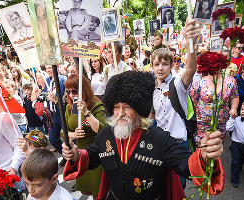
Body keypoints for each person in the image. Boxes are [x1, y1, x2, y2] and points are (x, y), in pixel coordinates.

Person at [62, 70, 224, 200]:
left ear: (139, 109)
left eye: (126, 107)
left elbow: (186, 163)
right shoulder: (106, 134)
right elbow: (91, 156)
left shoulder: (159, 138)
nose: (120, 113)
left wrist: (204, 155)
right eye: (116, 107)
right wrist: (76, 155)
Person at [152, 19, 199, 189]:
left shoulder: (178, 85)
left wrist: (190, 43)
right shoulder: (151, 90)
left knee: (179, 185)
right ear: (152, 66)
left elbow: (191, 69)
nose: (161, 68)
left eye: (165, 63)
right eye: (157, 64)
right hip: (160, 144)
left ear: (172, 65)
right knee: (162, 184)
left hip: (179, 143)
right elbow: (151, 118)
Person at [64, 75, 107, 199]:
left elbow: (103, 130)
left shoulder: (96, 106)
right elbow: (65, 131)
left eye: (75, 91)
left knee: (98, 192)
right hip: (80, 153)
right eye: (68, 91)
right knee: (86, 190)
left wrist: (86, 112)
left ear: (84, 89)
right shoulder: (69, 107)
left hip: (96, 152)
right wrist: (72, 135)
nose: (71, 94)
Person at [44, 65, 67, 156]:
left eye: (50, 67)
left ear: (56, 67)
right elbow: (47, 95)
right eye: (46, 68)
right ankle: (65, 155)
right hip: (52, 114)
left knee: (69, 136)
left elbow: (66, 98)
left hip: (62, 112)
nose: (48, 70)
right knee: (53, 138)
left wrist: (56, 99)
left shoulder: (62, 79)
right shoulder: (47, 80)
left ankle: (73, 156)